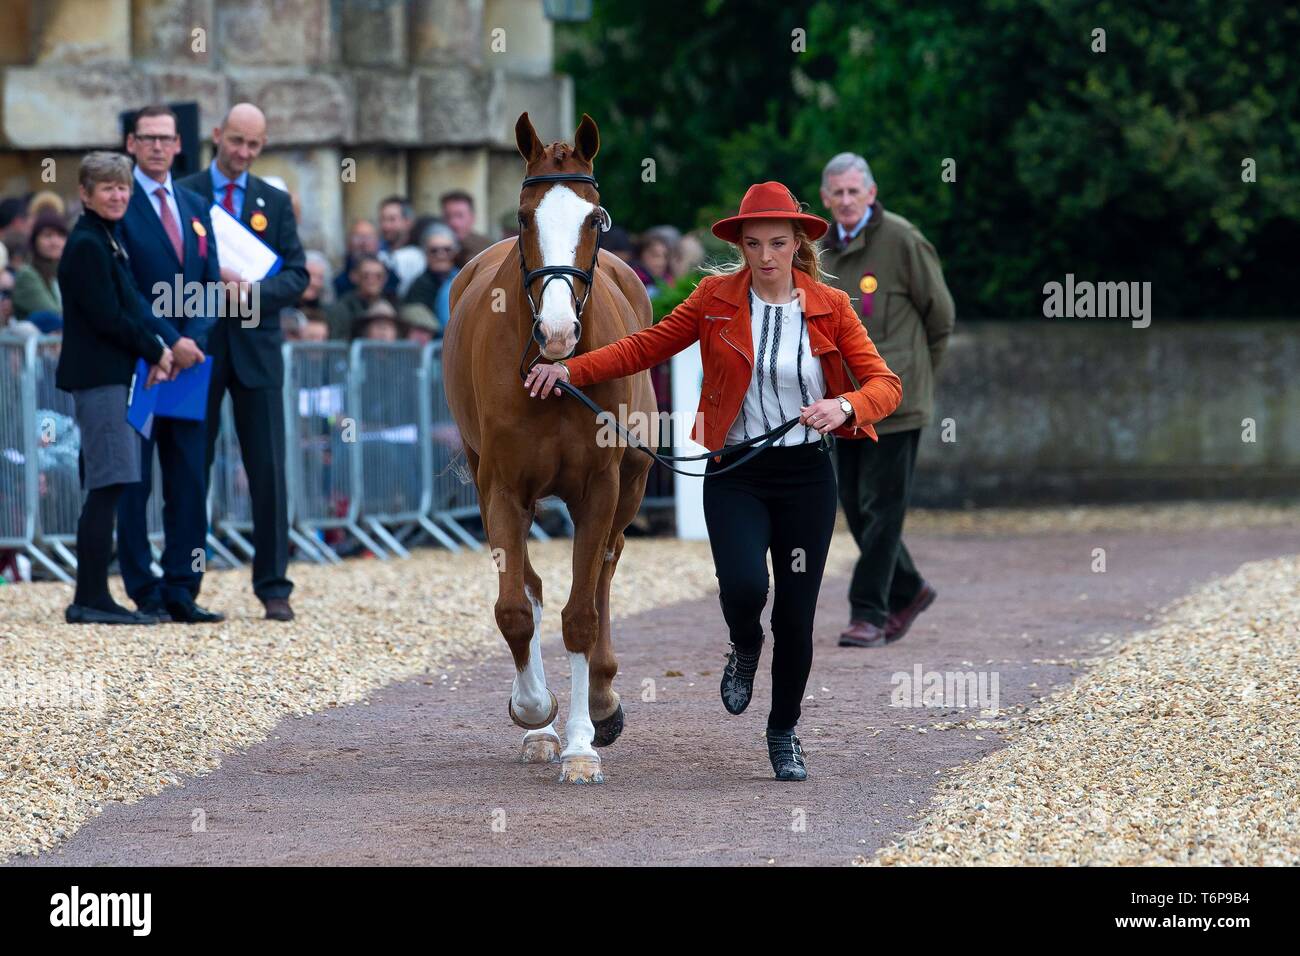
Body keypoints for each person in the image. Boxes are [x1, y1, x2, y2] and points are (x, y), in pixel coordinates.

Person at [524, 181, 901, 781]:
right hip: (734, 472)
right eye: (754, 244)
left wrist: (847, 407)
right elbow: (642, 348)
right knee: (746, 588)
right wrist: (568, 367)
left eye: (779, 243)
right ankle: (743, 644)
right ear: (742, 246)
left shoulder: (831, 305)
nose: (767, 255)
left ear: (798, 243)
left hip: (806, 475)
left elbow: (886, 384)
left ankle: (783, 733)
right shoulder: (714, 298)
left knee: (797, 615)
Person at [176, 102, 308, 622]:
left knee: (268, 469)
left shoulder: (273, 202)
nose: (243, 152)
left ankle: (274, 585)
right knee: (191, 465)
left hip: (257, 350)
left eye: (253, 145)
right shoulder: (184, 193)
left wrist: (252, 292)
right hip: (199, 347)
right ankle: (184, 584)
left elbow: (297, 276)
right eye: (236, 141)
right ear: (216, 135)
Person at [819, 152, 955, 648]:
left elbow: (940, 317)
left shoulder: (903, 239)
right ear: (827, 198)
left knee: (885, 509)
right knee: (855, 506)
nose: (848, 200)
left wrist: (916, 378)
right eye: (839, 192)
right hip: (846, 403)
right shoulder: (819, 250)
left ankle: (869, 612)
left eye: (856, 191)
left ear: (871, 194)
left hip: (896, 401)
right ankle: (911, 588)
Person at [116, 103, 224, 624]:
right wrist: (165, 342)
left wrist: (192, 340)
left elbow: (209, 281)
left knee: (188, 478)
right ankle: (144, 589)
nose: (158, 146)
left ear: (180, 144)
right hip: (141, 361)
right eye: (147, 138)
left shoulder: (196, 205)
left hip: (191, 363)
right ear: (131, 144)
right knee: (135, 479)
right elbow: (126, 288)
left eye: (166, 138)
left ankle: (183, 586)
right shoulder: (119, 202)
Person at [54, 151, 174, 624]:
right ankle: (90, 597)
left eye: (123, 186)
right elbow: (108, 315)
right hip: (100, 377)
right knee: (108, 483)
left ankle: (93, 595)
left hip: (111, 375)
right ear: (85, 194)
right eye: (107, 187)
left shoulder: (105, 239)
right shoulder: (88, 244)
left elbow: (126, 305)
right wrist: (156, 349)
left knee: (111, 481)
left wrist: (155, 346)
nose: (118, 194)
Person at [11, 211, 66, 328]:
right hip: (36, 343)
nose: (55, 242)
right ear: (35, 240)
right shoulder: (27, 275)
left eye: (60, 235)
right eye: (48, 235)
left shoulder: (65, 271)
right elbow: (53, 313)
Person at [402, 222, 459, 331]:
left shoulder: (466, 279)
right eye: (434, 251)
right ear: (425, 253)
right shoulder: (418, 288)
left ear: (455, 252)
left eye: (447, 250)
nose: (441, 255)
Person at [328, 254, 392, 339]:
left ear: (385, 279)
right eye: (366, 276)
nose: (372, 280)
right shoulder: (341, 308)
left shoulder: (391, 305)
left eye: (378, 276)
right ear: (354, 276)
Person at [377, 196, 424, 297]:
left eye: (392, 219)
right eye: (382, 219)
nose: (386, 226)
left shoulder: (421, 255)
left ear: (408, 222)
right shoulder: (376, 252)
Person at [440, 189, 491, 268]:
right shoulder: (434, 248)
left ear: (472, 218)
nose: (453, 222)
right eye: (448, 216)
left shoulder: (487, 248)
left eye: (459, 216)